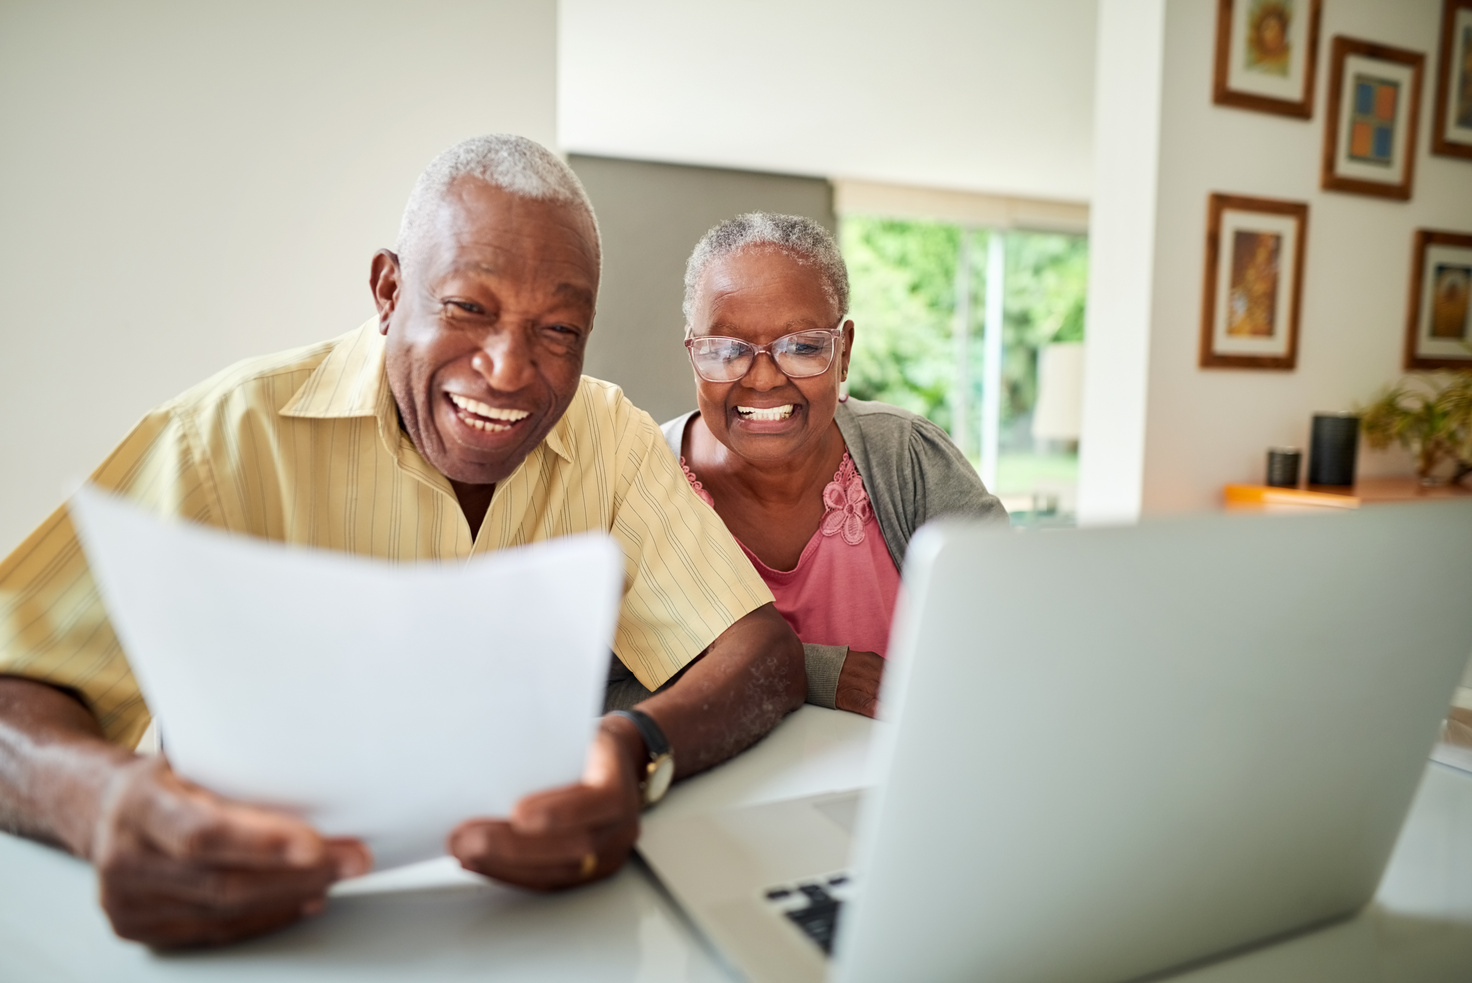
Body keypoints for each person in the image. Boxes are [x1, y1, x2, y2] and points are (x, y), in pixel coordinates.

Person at [0, 136, 804, 948]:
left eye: (558, 328)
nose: (508, 368)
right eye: (468, 307)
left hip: (533, 936)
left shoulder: (610, 438)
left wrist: (634, 748)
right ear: (389, 290)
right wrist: (101, 801)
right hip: (267, 943)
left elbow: (757, 649)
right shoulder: (221, 438)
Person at [661, 213, 1007, 718]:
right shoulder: (643, 478)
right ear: (694, 354)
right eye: (728, 350)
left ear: (843, 353)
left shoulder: (907, 457)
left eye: (802, 346)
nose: (762, 380)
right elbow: (613, 687)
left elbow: (1014, 631)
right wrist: (813, 673)